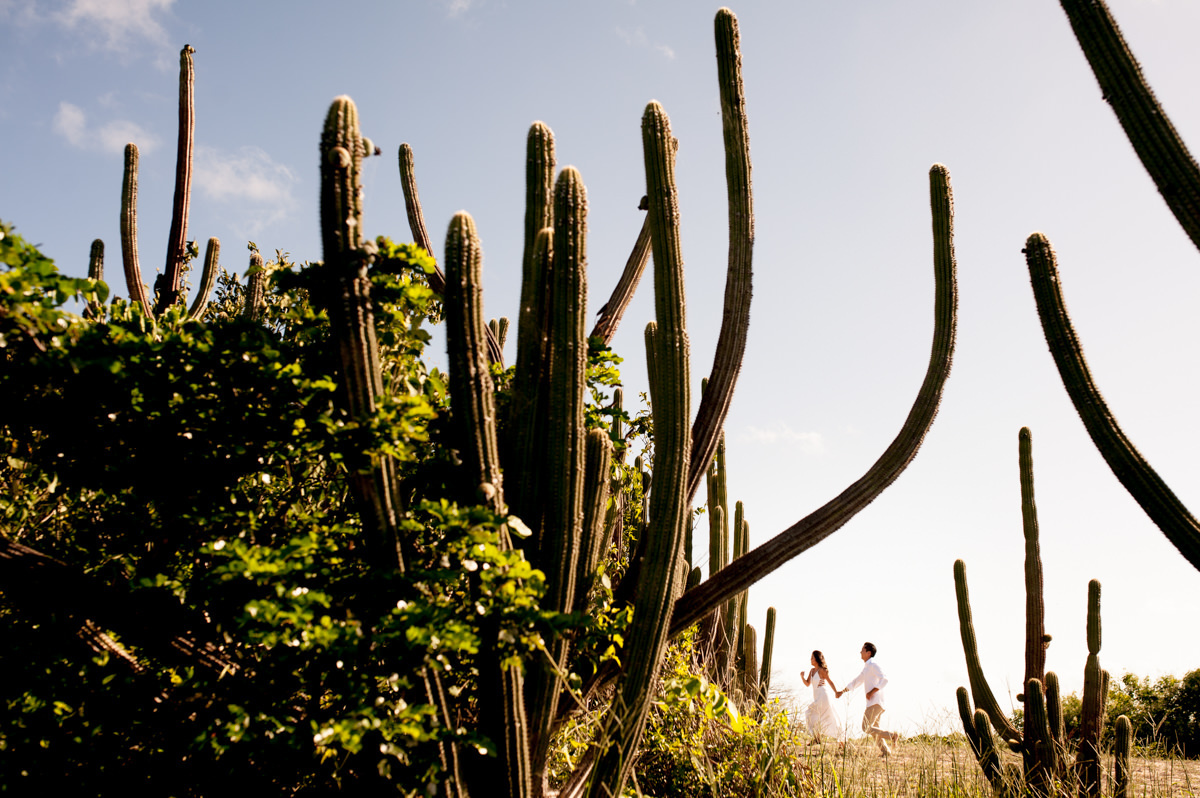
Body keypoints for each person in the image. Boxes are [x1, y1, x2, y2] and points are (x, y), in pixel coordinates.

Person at [836, 641, 900, 756]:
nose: (860, 652)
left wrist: (872, 691)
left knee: (866, 728)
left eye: (863, 650)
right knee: (875, 730)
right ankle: (886, 752)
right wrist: (843, 691)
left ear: (869, 653)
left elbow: (885, 679)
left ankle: (892, 736)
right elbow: (856, 681)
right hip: (875, 703)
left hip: (875, 702)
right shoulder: (867, 668)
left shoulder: (873, 665)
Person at [800, 650, 843, 745]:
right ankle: (817, 738)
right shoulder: (812, 671)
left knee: (824, 716)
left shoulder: (822, 670)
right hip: (817, 696)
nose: (810, 660)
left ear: (817, 659)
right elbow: (807, 684)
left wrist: (836, 692)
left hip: (823, 695)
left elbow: (830, 682)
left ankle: (840, 740)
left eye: (812, 658)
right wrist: (802, 677)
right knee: (814, 715)